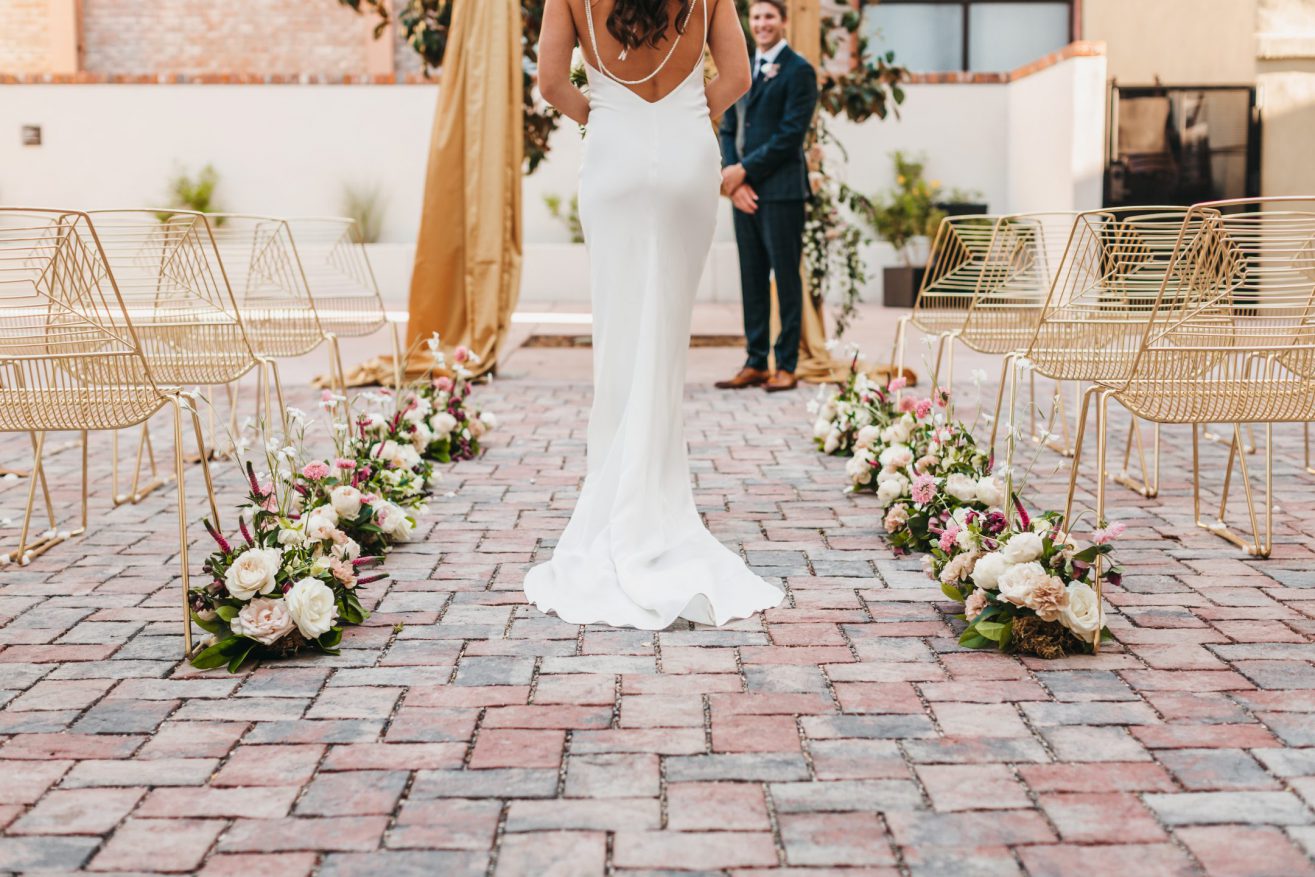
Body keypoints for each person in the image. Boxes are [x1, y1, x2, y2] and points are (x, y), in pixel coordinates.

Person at [526, 0, 785, 629]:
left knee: (618, 333)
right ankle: (659, 504)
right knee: (666, 337)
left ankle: (617, 493)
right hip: (687, 156)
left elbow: (553, 83)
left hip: (612, 156)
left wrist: (608, 116)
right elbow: (738, 77)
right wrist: (687, 113)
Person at [714, 0, 818, 393]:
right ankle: (755, 360)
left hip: (783, 193)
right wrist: (733, 179)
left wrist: (745, 171)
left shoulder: (799, 71)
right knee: (751, 277)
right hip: (743, 194)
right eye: (755, 17)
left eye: (769, 16)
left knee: (785, 279)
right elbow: (727, 128)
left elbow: (790, 135)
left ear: (783, 22)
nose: (761, 24)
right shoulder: (740, 70)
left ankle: (786, 364)